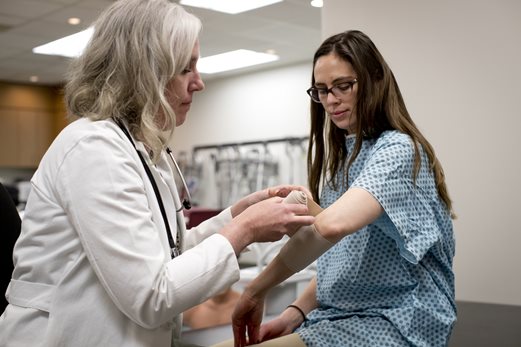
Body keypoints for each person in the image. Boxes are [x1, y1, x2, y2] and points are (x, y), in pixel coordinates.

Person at [0, 1, 315, 346]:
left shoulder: (144, 150)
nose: (199, 83)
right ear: (143, 72)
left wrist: (235, 216)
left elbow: (168, 256)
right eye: (186, 69)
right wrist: (246, 229)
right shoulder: (93, 149)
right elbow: (151, 296)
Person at [228, 30, 456, 347]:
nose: (331, 100)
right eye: (321, 91)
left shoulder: (398, 151)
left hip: (398, 319)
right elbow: (341, 257)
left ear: (375, 79)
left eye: (343, 86)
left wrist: (256, 290)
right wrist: (294, 314)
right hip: (341, 316)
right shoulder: (345, 162)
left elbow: (331, 227)